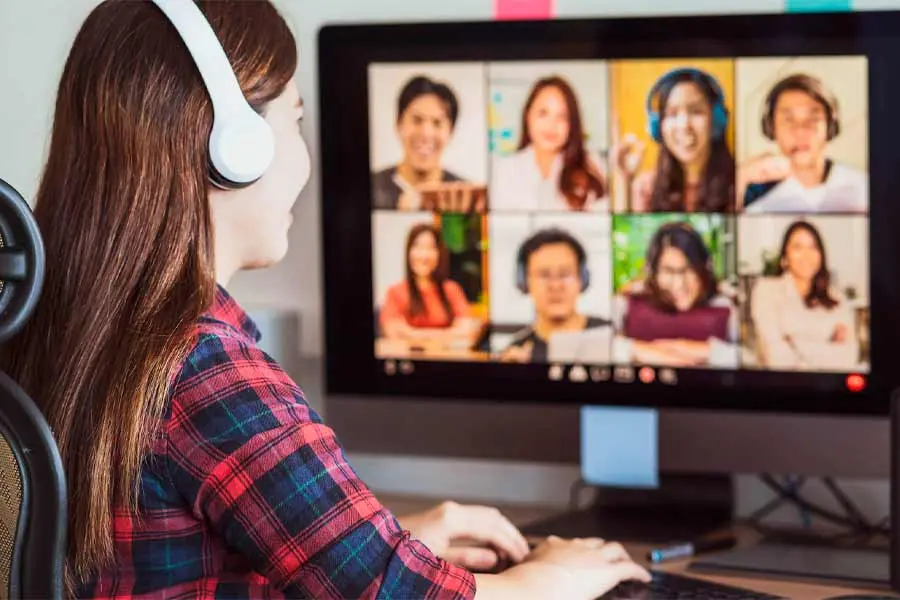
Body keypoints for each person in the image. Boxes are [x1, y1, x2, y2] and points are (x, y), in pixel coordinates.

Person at [0, 1, 649, 598]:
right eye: (297, 119)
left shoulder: (56, 324)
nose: (305, 158)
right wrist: (555, 575)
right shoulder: (208, 373)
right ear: (234, 149)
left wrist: (393, 540)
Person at [612, 222, 739, 368]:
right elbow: (594, 343)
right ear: (653, 273)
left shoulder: (724, 305)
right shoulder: (628, 303)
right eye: (668, 271)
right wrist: (640, 350)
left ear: (704, 268)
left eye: (689, 269)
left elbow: (753, 357)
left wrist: (703, 350)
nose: (679, 284)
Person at [739, 73, 868, 213]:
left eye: (813, 119)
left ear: (830, 127)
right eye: (788, 120)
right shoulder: (750, 195)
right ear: (771, 127)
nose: (800, 131)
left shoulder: (862, 188)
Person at [613, 68, 736, 213]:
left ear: (716, 120)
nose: (684, 125)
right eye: (671, 114)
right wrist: (625, 181)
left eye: (696, 111)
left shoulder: (737, 183)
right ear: (658, 126)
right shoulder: (645, 188)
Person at [749, 220, 860, 371]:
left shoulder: (837, 299)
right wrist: (827, 345)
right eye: (798, 247)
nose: (807, 255)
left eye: (813, 247)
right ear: (785, 258)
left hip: (828, 390)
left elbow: (849, 356)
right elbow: (776, 358)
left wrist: (794, 340)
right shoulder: (766, 290)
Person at [490, 76, 608, 212]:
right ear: (527, 116)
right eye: (543, 113)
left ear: (572, 124)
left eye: (562, 116)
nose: (551, 125)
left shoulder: (592, 166)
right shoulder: (504, 169)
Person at [372, 74, 486, 212]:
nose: (426, 134)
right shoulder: (373, 186)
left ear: (450, 132)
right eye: (417, 120)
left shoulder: (465, 195)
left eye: (437, 123)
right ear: (398, 124)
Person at [500, 228, 612, 363]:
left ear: (582, 278)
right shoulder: (515, 351)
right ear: (524, 281)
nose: (555, 286)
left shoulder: (611, 335)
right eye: (544, 275)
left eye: (565, 274)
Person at [379, 222, 483, 350]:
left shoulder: (452, 290)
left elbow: (468, 331)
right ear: (408, 252)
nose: (424, 255)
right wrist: (448, 334)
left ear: (439, 254)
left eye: (430, 248)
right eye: (418, 247)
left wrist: (412, 334)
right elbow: (393, 333)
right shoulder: (395, 292)